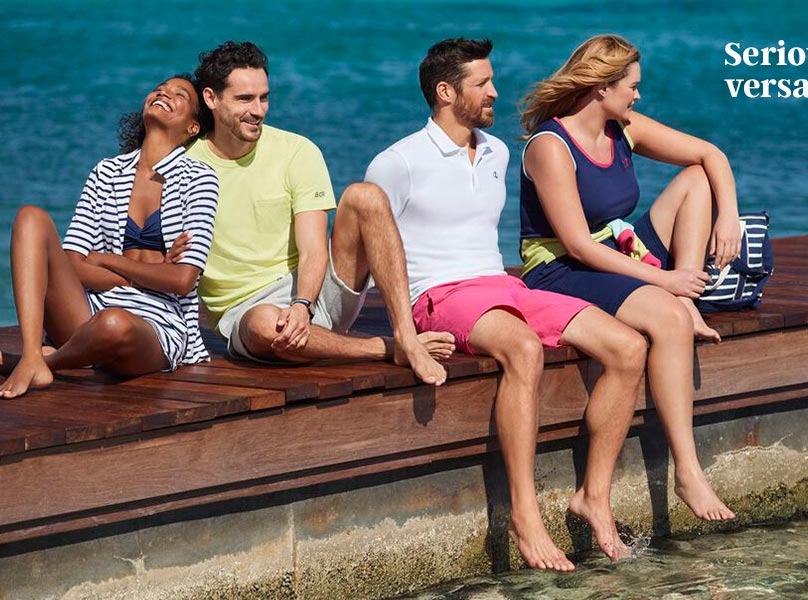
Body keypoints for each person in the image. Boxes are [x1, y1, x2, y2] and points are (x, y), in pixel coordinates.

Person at [365, 38, 649, 568]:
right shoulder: (398, 161)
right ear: (446, 92)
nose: (496, 91)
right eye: (482, 83)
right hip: (438, 295)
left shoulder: (497, 151)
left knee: (628, 346)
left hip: (503, 286)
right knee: (522, 347)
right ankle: (524, 514)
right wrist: (388, 330)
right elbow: (370, 245)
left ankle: (594, 497)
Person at [518, 34, 737, 521]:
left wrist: (730, 217)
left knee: (697, 180)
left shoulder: (624, 127)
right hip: (560, 269)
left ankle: (689, 298)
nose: (637, 96)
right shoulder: (551, 146)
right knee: (668, 317)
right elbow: (577, 244)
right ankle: (688, 472)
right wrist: (665, 284)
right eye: (631, 87)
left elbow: (710, 155)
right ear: (601, 87)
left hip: (616, 249)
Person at [185, 41, 454, 384]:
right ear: (211, 98)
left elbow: (313, 249)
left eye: (263, 97)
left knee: (365, 195)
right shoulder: (186, 166)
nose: (258, 110)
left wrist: (302, 304)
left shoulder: (297, 150)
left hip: (314, 294)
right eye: (244, 99)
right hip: (249, 312)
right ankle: (386, 347)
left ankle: (406, 333)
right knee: (266, 325)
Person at [0, 75, 219, 398]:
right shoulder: (107, 172)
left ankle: (39, 363)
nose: (164, 93)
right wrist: (148, 274)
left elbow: (182, 280)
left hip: (155, 325)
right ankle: (33, 352)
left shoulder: (199, 179)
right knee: (30, 217)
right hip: (86, 311)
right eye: (160, 88)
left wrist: (104, 260)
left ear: (193, 127)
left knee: (114, 322)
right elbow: (71, 263)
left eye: (180, 95)